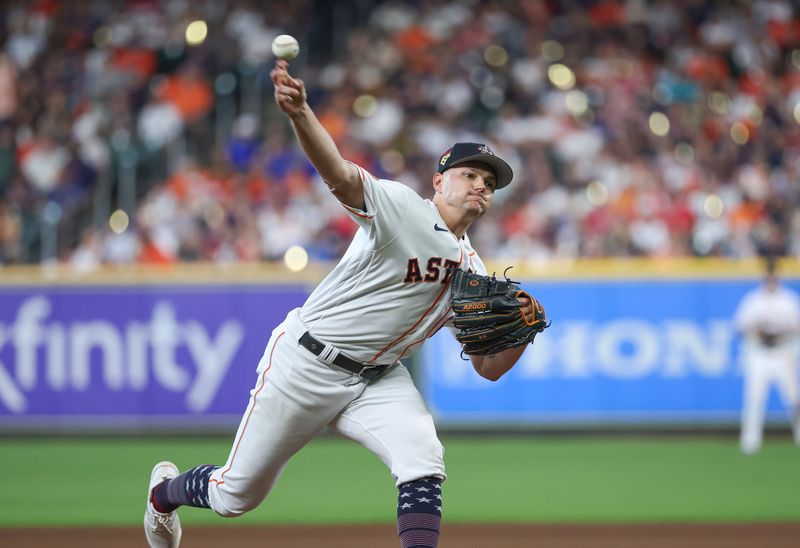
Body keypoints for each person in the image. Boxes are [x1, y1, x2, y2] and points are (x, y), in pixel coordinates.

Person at [143, 59, 534, 548]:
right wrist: (302, 113)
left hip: (378, 378)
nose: (481, 186)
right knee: (235, 496)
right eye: (471, 174)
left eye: (490, 183)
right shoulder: (402, 208)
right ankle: (163, 495)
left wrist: (520, 333)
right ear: (439, 182)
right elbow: (340, 175)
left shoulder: (475, 271)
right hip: (306, 362)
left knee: (423, 455)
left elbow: (486, 367)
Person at [734, 255, 800, 455]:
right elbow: (740, 326)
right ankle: (750, 442)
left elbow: (796, 326)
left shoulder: (788, 299)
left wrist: (780, 331)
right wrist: (759, 330)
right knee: (754, 399)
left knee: (793, 398)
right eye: (767, 276)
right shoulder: (753, 300)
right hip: (760, 353)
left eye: (773, 276)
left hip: (783, 352)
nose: (770, 280)